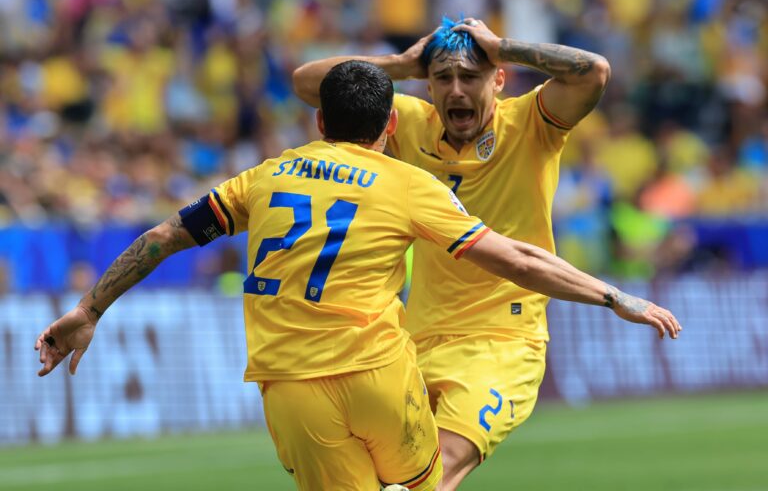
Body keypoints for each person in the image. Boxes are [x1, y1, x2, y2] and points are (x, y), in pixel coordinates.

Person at [36, 61, 679, 491]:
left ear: (319, 122)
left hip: (287, 386)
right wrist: (613, 295)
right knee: (427, 485)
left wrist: (90, 309)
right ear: (392, 125)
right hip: (376, 374)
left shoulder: (264, 177)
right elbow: (516, 258)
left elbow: (162, 237)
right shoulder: (409, 184)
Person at [292, 17, 629, 488]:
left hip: (503, 339)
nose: (455, 91)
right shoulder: (409, 124)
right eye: (443, 78)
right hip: (415, 340)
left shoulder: (531, 123)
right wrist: (402, 64)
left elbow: (593, 71)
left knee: (438, 469)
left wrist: (502, 46)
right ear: (427, 86)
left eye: (470, 77)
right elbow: (308, 82)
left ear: (498, 79)